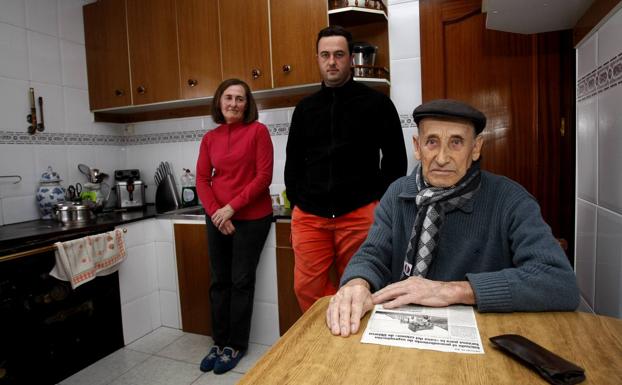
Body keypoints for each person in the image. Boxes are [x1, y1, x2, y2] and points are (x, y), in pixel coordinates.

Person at [326, 99, 580, 337]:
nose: (442, 158)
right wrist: (357, 283)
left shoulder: (510, 200)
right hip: (402, 336)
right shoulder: (397, 193)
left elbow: (560, 283)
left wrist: (453, 290)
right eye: (432, 142)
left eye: (456, 142)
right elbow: (372, 255)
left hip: (483, 342)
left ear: (476, 148)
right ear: (417, 147)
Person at [285, 25, 407, 312]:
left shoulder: (377, 103)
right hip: (310, 217)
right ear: (317, 58)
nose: (331, 61)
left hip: (360, 214)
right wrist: (298, 202)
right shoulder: (304, 109)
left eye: (339, 54)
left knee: (360, 288)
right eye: (325, 55)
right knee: (307, 290)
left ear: (350, 58)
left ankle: (356, 353)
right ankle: (328, 350)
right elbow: (293, 162)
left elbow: (395, 162)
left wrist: (379, 204)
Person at [196, 78, 273, 373]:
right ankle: (219, 342)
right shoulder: (210, 138)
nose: (234, 103)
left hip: (252, 218)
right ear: (219, 101)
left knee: (240, 281)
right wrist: (217, 213)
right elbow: (202, 179)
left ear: (247, 103)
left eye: (240, 98)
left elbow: (263, 177)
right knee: (219, 281)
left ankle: (235, 345)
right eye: (228, 97)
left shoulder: (258, 132)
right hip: (219, 216)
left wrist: (231, 208)